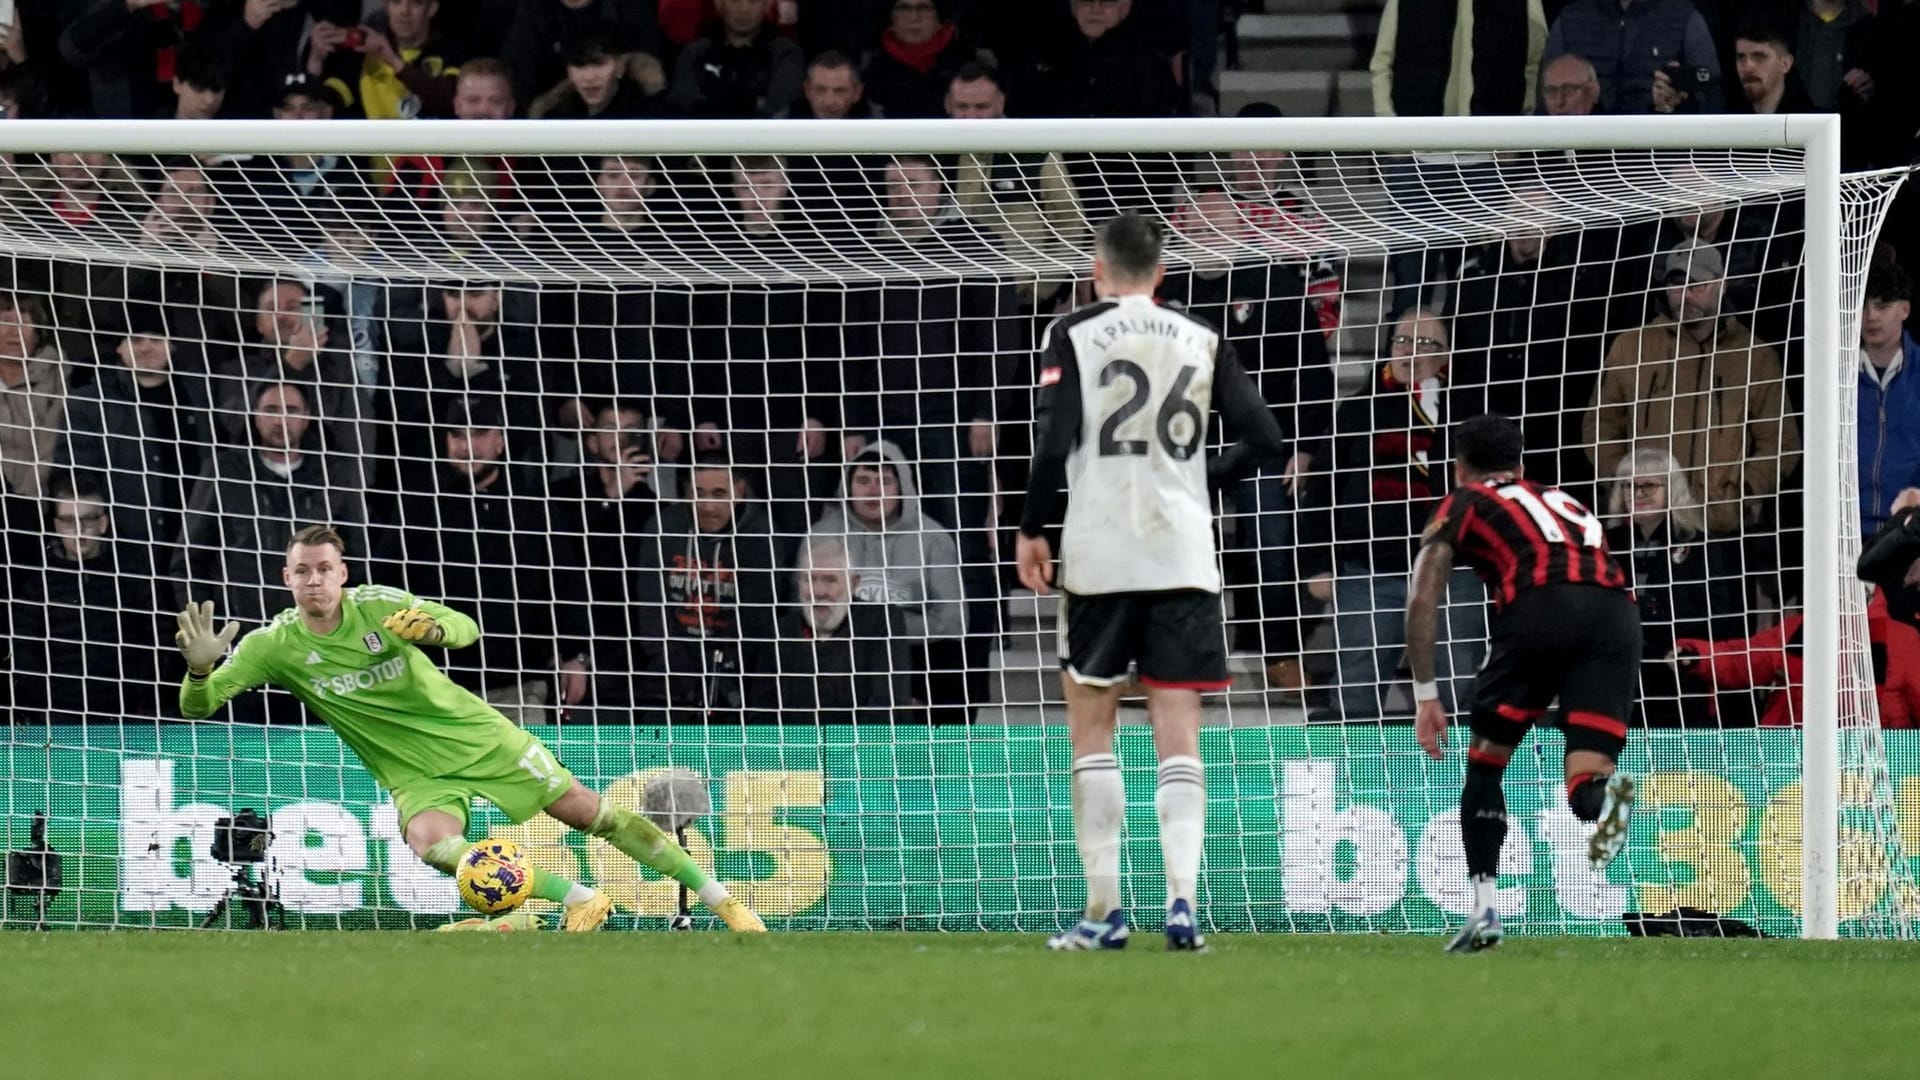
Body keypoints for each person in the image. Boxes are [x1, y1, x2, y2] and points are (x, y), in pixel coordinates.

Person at [172, 523, 765, 933]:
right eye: (303, 571)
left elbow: (464, 628)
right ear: (286, 579)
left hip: (477, 737)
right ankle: (578, 898)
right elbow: (199, 707)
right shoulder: (272, 645)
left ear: (342, 573)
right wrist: (200, 670)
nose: (315, 581)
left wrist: (430, 631)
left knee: (592, 814)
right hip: (411, 770)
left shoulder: (377, 606)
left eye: (325, 569)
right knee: (432, 846)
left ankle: (725, 902)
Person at [1015, 213, 1288, 952]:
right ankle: (1183, 907)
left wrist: (1033, 525)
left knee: (1092, 726)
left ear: (1097, 272)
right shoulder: (1203, 337)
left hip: (1102, 551)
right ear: (1161, 274)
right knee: (1178, 732)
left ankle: (1104, 912)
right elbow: (1267, 440)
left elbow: (1055, 436)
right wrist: (1202, 477)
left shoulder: (1072, 332)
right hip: (1182, 553)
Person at [1406, 414, 1639, 953]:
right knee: (1584, 791)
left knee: (1486, 765)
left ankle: (1485, 911)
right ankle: (1612, 799)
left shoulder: (1463, 501)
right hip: (1616, 615)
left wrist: (1426, 695)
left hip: (1540, 606)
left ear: (1458, 468)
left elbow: (1423, 595)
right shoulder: (1565, 500)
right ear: (1520, 464)